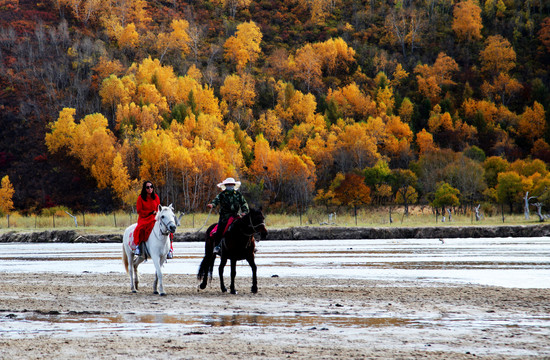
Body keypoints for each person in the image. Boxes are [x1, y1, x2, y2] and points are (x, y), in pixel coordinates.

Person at [207, 177, 249, 254]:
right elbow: (216, 201)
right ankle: (217, 246)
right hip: (224, 217)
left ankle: (249, 246)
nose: (230, 186)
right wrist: (212, 205)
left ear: (234, 185)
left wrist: (244, 211)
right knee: (220, 230)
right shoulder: (222, 195)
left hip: (236, 216)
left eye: (231, 185)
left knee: (246, 227)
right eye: (228, 185)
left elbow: (243, 203)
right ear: (226, 186)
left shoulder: (238, 194)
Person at [133, 181, 173, 259]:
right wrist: (150, 212)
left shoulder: (156, 197)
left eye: (151, 187)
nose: (150, 189)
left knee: (168, 229)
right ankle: (138, 247)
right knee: (140, 229)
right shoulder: (140, 198)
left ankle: (169, 249)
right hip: (144, 218)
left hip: (155, 217)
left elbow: (158, 208)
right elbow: (139, 211)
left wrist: (158, 213)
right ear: (145, 188)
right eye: (148, 187)